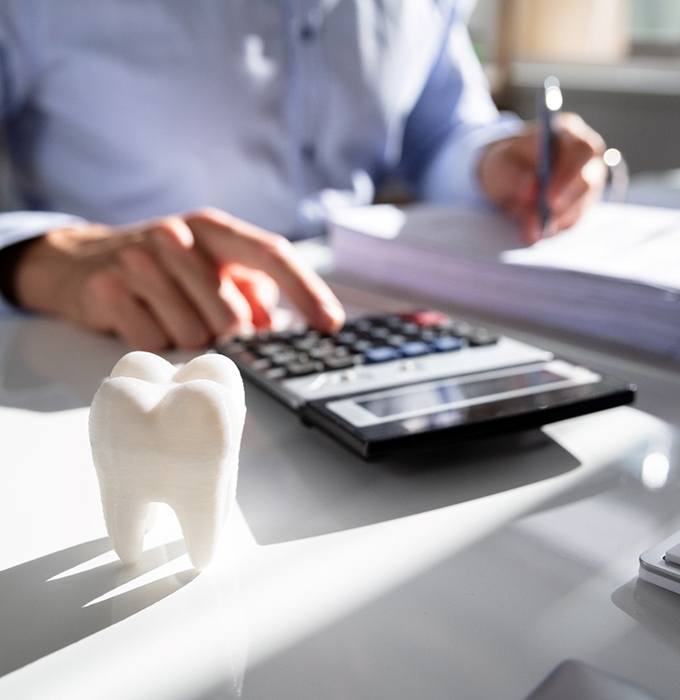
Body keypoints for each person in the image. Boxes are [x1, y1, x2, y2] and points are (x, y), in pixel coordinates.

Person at [0, 1, 606, 350]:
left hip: (369, 328)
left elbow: (438, 133)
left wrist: (493, 163)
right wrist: (39, 258)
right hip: (117, 345)